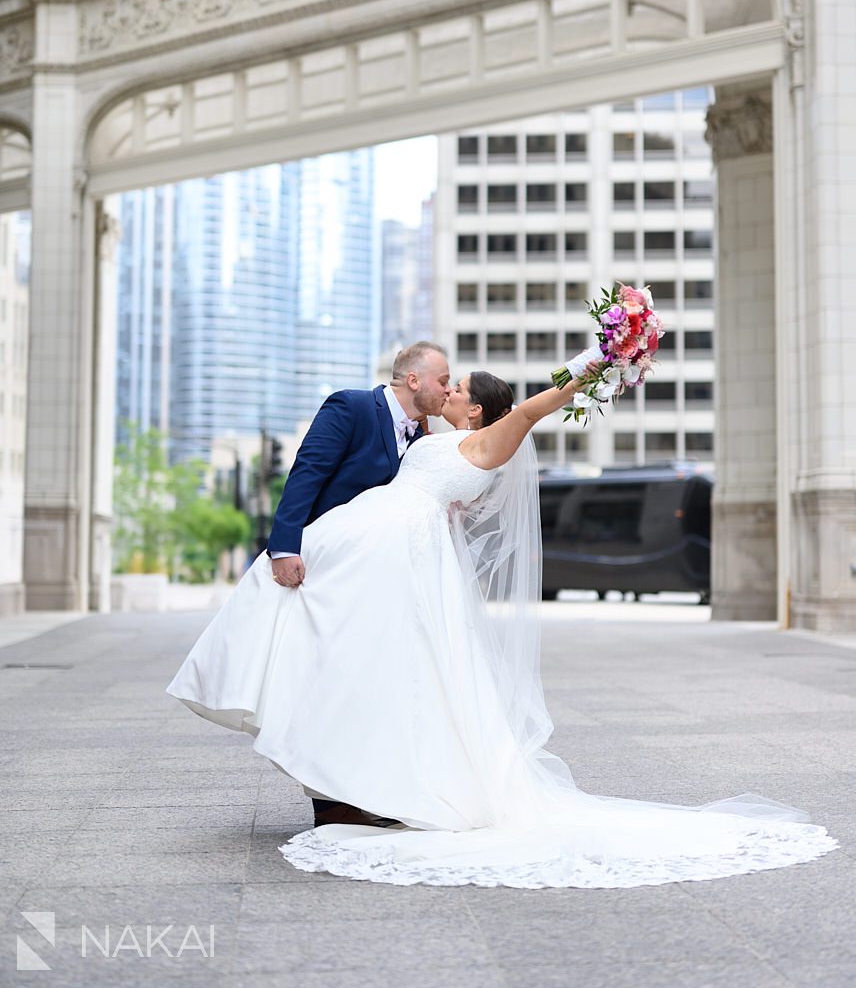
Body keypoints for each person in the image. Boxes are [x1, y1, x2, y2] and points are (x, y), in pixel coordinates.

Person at [166, 365, 837, 889]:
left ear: (479, 408)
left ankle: (372, 781)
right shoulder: (439, 439)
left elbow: (541, 405)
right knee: (356, 647)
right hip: (382, 541)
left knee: (391, 658)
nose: (450, 389)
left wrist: (597, 366)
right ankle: (336, 763)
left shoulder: (493, 435)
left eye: (459, 388)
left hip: (402, 548)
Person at [265, 340, 451, 826]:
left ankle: (364, 791)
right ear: (414, 379)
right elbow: (307, 471)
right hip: (326, 570)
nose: (447, 389)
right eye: (442, 380)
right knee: (331, 681)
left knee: (370, 684)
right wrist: (284, 547)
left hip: (377, 580)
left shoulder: (421, 435)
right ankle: (330, 803)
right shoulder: (351, 406)